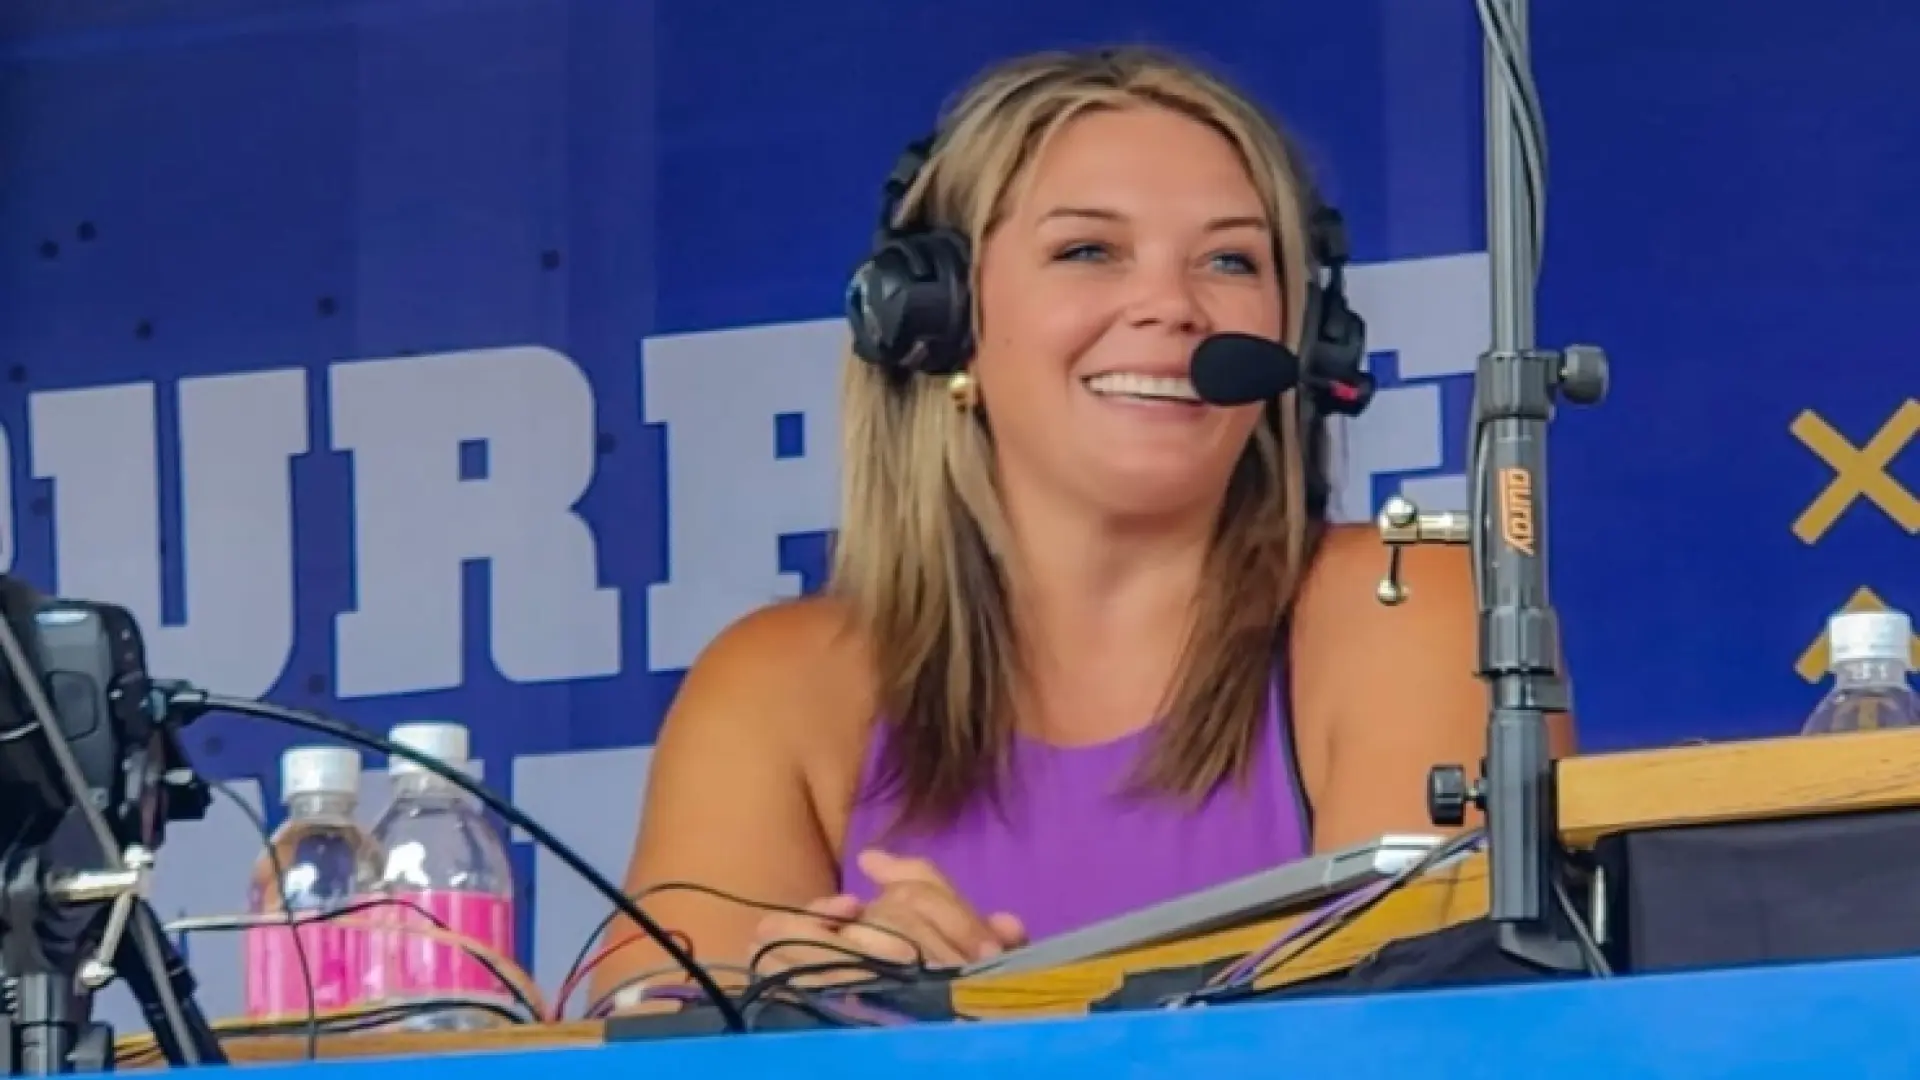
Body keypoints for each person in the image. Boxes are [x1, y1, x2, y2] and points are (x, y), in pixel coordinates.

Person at [594, 45, 1575, 1005]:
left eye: (1229, 259)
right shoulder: (776, 682)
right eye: (1088, 251)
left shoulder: (1406, 601)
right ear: (937, 318)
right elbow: (660, 1036)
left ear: (1301, 338)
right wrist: (821, 1004)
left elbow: (1413, 1033)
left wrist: (977, 1017)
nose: (1170, 305)